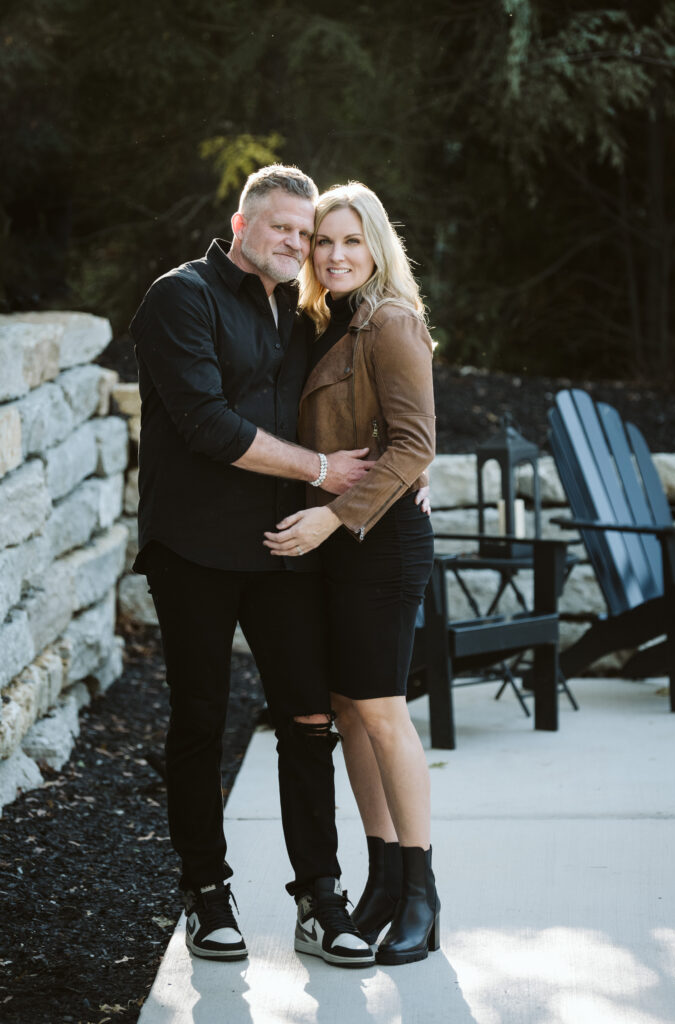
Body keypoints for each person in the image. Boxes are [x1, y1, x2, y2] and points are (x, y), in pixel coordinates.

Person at [129, 165, 377, 968]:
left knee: (309, 721)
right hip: (195, 548)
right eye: (284, 230)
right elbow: (205, 422)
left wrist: (409, 472)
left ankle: (319, 896)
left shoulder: (302, 309)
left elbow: (371, 390)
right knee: (201, 720)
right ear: (241, 225)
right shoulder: (181, 296)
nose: (298, 245)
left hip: (286, 549)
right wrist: (317, 471)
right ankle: (206, 892)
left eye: (306, 235)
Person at [264, 182, 439, 966]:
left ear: (376, 247)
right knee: (347, 711)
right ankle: (380, 879)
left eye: (351, 242)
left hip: (380, 541)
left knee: (381, 714)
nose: (335, 255)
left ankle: (423, 892)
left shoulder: (391, 320)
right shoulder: (317, 321)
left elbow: (414, 446)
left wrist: (333, 515)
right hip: (334, 549)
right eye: (323, 242)